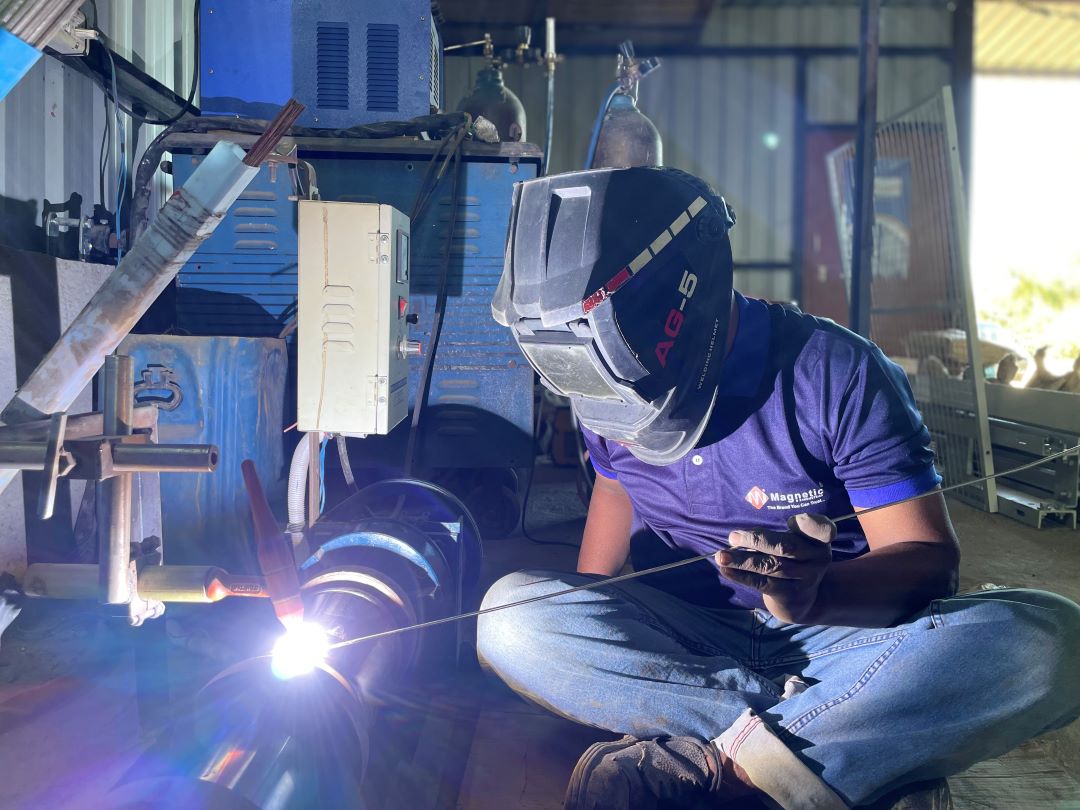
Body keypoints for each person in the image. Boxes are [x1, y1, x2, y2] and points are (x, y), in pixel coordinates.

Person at [479, 167, 1080, 809]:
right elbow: (615, 488)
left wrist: (820, 594)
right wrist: (594, 623)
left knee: (1051, 644)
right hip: (689, 643)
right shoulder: (600, 379)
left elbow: (932, 565)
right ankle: (843, 746)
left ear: (687, 300)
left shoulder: (838, 371)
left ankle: (725, 763)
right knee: (509, 622)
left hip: (839, 636)